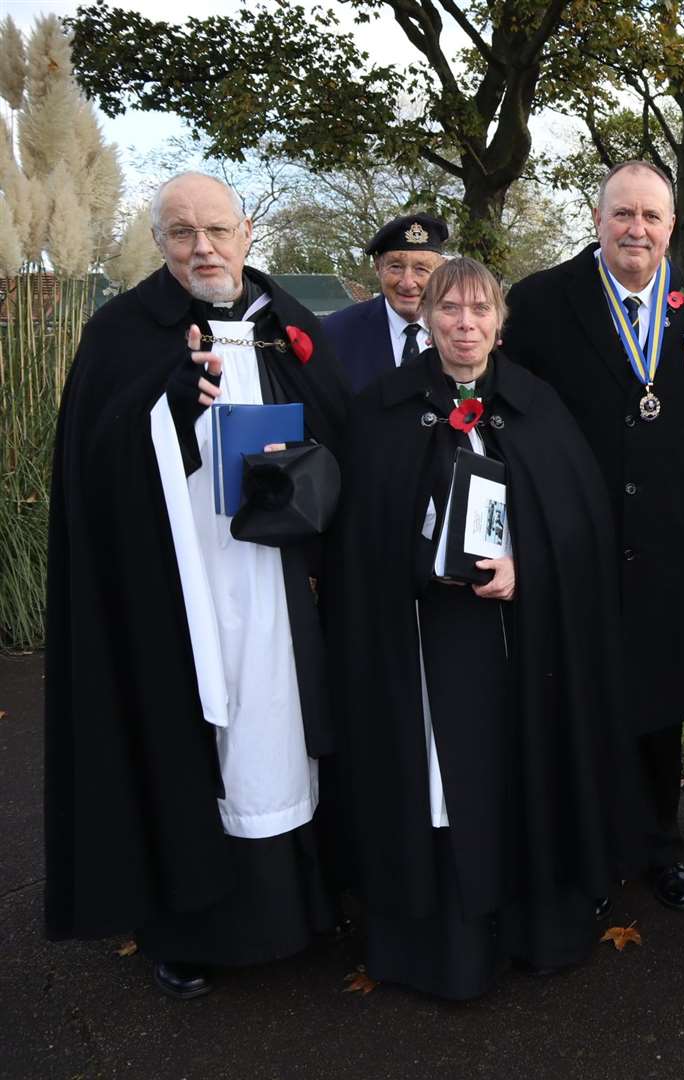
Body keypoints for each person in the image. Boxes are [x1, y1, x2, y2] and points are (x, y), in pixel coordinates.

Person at [44, 171, 349, 999]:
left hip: (279, 581)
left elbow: (339, 429)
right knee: (190, 740)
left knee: (283, 728)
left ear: (248, 231)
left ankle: (299, 909)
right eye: (181, 233)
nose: (201, 248)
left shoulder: (286, 323)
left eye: (215, 229)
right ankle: (189, 924)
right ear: (158, 244)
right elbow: (95, 463)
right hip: (179, 585)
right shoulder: (125, 332)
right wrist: (164, 411)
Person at [329, 257, 632, 999]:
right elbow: (359, 528)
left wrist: (529, 562)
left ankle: (534, 926)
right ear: (426, 320)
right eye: (450, 312)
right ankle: (444, 945)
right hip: (423, 640)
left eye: (479, 311)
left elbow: (578, 518)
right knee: (439, 784)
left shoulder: (534, 403)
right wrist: (414, 563)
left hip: (520, 641)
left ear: (499, 320)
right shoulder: (382, 407)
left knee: (524, 763)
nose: (465, 326)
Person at [502, 160, 684, 913]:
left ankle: (659, 846)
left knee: (663, 710)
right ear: (597, 219)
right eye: (623, 214)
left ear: (672, 225)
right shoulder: (539, 302)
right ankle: (591, 848)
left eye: (652, 217)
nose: (637, 229)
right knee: (582, 700)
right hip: (577, 547)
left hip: (673, 554)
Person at [323, 214, 449, 390]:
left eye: (421, 269)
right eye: (396, 267)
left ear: (441, 271)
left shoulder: (462, 332)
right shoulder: (336, 333)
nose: (407, 283)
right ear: (378, 268)